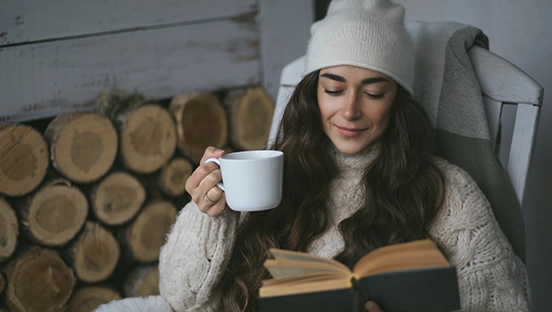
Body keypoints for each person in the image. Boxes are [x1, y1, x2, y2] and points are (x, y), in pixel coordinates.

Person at [96, 0, 530, 311]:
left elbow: (508, 302)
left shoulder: (447, 192)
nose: (350, 110)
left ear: (398, 101)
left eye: (374, 92)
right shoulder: (271, 174)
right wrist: (206, 215)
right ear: (311, 93)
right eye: (334, 88)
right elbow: (180, 298)